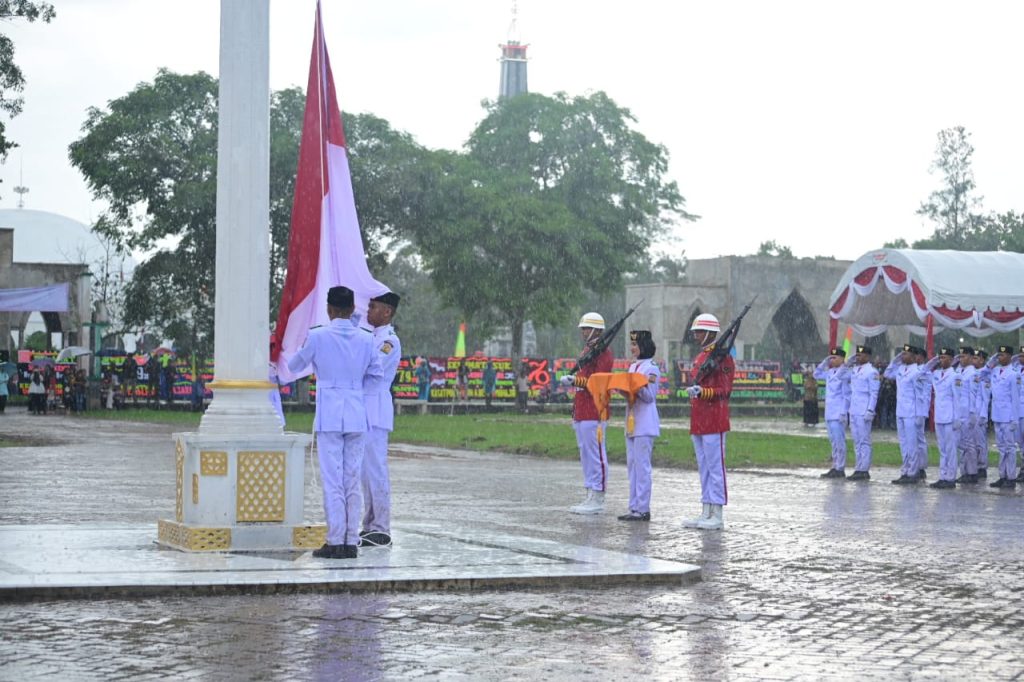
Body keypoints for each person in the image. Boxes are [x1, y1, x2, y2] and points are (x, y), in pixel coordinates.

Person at [286, 286, 383, 560]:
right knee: (351, 478)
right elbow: (377, 376)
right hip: (356, 412)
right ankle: (351, 541)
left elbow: (294, 366)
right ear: (353, 309)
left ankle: (334, 540)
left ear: (329, 310)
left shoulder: (317, 336)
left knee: (333, 479)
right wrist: (354, 388)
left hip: (329, 413)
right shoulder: (366, 339)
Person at [681, 313, 734, 530]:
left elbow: (725, 390)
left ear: (711, 334)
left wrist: (704, 392)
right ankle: (705, 509)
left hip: (714, 419)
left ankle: (717, 512)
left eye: (700, 332)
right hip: (699, 419)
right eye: (695, 332)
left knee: (715, 467)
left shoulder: (724, 358)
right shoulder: (702, 356)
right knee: (703, 467)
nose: (696, 336)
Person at [559, 312, 614, 514]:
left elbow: (599, 381)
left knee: (596, 454)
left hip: (595, 409)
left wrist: (576, 381)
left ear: (597, 330)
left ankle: (598, 495)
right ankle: (590, 492)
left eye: (587, 328)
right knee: (585, 453)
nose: (583, 332)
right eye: (583, 328)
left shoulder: (604, 353)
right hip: (582, 408)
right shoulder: (588, 350)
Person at [361, 291, 402, 548]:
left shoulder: (389, 341)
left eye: (373, 307)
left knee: (376, 471)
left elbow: (370, 369)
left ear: (387, 312)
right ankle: (370, 525)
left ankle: (381, 527)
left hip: (375, 409)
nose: (369, 311)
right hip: (363, 409)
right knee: (364, 473)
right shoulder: (370, 337)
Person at [618, 330, 660, 522]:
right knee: (632, 466)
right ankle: (634, 506)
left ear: (643, 346)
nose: (632, 348)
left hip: (645, 422)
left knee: (642, 467)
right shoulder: (633, 367)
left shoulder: (651, 368)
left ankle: (643, 508)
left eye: (635, 345)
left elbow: (650, 395)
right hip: (632, 421)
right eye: (632, 345)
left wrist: (636, 387)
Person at [885, 344, 931, 485]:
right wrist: (896, 359)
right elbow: (887, 373)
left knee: (913, 444)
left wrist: (921, 413)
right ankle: (906, 470)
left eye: (906, 354)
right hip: (901, 411)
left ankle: (913, 472)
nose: (903, 356)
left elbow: (922, 395)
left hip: (912, 412)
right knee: (904, 444)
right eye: (902, 354)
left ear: (913, 356)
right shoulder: (900, 369)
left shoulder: (918, 371)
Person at [978, 346, 1020, 488]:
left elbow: (1015, 398)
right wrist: (991, 361)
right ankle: (1002, 476)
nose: (1000, 358)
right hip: (996, 415)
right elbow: (981, 375)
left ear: (1009, 356)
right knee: (1001, 447)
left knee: (1010, 448)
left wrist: (1015, 418)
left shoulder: (1014, 374)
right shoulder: (994, 371)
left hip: (1008, 416)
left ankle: (1011, 477)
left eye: (1002, 355)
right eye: (999, 355)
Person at [815, 347, 852, 478]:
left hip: (838, 413)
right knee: (833, 442)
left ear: (842, 359)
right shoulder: (830, 372)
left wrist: (843, 412)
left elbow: (847, 395)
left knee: (839, 441)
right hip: (829, 412)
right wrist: (824, 362)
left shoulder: (845, 374)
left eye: (835, 357)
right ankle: (835, 466)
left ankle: (840, 468)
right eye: (831, 357)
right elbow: (816, 374)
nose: (832, 360)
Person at [925, 348, 958, 489]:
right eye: (940, 357)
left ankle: (950, 478)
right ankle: (943, 476)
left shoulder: (955, 376)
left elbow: (958, 399)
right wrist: (932, 361)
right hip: (939, 416)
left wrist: (957, 419)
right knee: (942, 449)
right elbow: (923, 373)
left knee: (950, 449)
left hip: (950, 417)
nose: (941, 360)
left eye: (944, 357)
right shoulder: (936, 374)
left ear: (951, 360)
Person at [845, 345, 880, 481]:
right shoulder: (854, 370)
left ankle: (864, 469)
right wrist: (849, 360)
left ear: (867, 356)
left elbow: (874, 393)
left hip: (864, 410)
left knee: (864, 441)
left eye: (861, 355)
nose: (858, 357)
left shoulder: (872, 372)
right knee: (857, 440)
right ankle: (858, 467)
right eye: (857, 355)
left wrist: (870, 410)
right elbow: (843, 371)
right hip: (854, 410)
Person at [954, 345, 979, 484]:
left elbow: (973, 395)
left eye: (963, 356)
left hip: (968, 413)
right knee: (961, 444)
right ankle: (964, 472)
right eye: (960, 356)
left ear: (970, 357)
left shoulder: (973, 373)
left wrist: (972, 414)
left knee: (969, 445)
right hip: (959, 413)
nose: (961, 359)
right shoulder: (959, 371)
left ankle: (972, 472)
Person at [972, 349, 992, 479]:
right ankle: (974, 466)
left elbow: (986, 397)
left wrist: (984, 415)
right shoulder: (971, 372)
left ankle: (982, 467)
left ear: (982, 360)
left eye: (976, 358)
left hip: (980, 412)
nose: (974, 360)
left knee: (980, 442)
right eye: (973, 358)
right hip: (971, 412)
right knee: (971, 442)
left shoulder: (986, 375)